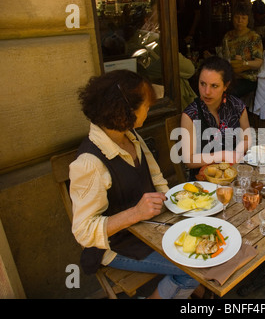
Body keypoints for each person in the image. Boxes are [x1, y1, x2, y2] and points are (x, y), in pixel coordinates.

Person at [70, 70, 199, 299]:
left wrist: (180, 212)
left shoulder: (130, 135)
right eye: (147, 106)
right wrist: (135, 213)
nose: (149, 109)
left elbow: (157, 178)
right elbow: (83, 231)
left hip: (149, 228)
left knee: (204, 244)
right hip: (117, 246)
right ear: (126, 112)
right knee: (195, 271)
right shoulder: (89, 163)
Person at [181, 56, 251, 180]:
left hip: (234, 174)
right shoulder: (190, 115)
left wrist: (238, 152)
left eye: (214, 86)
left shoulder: (237, 106)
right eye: (203, 84)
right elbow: (188, 160)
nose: (206, 92)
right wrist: (223, 155)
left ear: (226, 86)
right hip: (204, 181)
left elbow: (247, 138)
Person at [222, 2, 263, 97]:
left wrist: (244, 63)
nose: (239, 21)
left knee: (230, 93)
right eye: (237, 17)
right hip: (231, 77)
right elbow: (225, 58)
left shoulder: (254, 37)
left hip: (248, 79)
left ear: (248, 20)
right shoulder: (228, 36)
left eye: (243, 18)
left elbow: (258, 63)